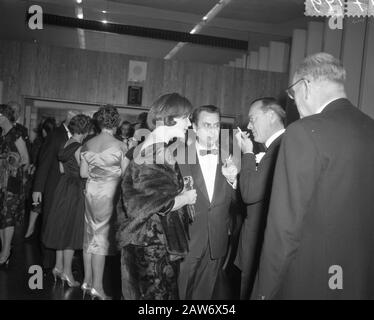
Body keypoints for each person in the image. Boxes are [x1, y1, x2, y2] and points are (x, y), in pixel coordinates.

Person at [252, 53, 374, 300]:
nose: (295, 105)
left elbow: (283, 229)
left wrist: (262, 293)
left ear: (305, 86)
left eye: (293, 96)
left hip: (310, 283)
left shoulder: (303, 132)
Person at [117, 93, 196, 300]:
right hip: (151, 243)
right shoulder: (153, 151)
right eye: (186, 117)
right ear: (171, 118)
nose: (189, 123)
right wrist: (186, 198)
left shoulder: (154, 148)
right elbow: (148, 204)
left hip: (150, 240)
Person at [178, 105, 238, 300]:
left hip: (217, 237)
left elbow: (239, 201)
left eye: (216, 125)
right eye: (206, 125)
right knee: (181, 290)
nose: (213, 131)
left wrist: (232, 180)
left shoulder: (228, 156)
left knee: (205, 294)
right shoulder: (179, 156)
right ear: (194, 128)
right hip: (188, 237)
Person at [234, 97, 285, 299]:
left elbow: (249, 192)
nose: (249, 125)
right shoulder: (277, 146)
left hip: (260, 243)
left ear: (271, 115)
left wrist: (247, 152)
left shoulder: (279, 147)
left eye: (253, 119)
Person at [80, 105, 127, 300]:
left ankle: (87, 281)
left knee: (90, 235)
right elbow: (126, 175)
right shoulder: (120, 146)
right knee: (101, 238)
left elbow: (83, 173)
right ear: (115, 123)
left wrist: (98, 173)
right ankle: (97, 287)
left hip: (91, 191)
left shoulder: (88, 144)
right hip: (109, 192)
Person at [42, 114, 91, 286]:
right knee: (70, 232)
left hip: (63, 187)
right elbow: (84, 173)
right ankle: (68, 273)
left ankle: (58, 267)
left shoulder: (66, 144)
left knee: (61, 228)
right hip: (75, 190)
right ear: (85, 130)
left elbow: (62, 169)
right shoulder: (80, 148)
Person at [32, 111, 77, 270]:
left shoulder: (72, 135)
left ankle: (56, 264)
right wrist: (38, 188)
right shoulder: (55, 135)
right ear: (69, 119)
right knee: (48, 223)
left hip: (66, 188)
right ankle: (46, 263)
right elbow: (43, 161)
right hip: (53, 185)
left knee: (59, 224)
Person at [0, 104, 30, 265]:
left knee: (8, 218)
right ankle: (3, 249)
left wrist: (11, 164)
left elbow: (25, 159)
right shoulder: (2, 134)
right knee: (1, 218)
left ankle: (6, 251)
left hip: (11, 183)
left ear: (3, 116)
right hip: (0, 183)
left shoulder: (16, 134)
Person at [24, 117, 56, 239]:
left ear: (44, 130)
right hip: (45, 177)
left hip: (41, 177)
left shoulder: (43, 142)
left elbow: (38, 159)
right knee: (37, 204)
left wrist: (34, 165)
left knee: (36, 204)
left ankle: (31, 229)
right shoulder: (48, 141)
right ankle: (32, 229)